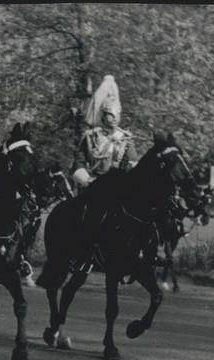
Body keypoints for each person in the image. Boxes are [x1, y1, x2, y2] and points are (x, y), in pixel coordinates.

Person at [72, 74, 138, 270]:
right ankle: (84, 253)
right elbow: (78, 162)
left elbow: (132, 163)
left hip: (119, 187)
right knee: (89, 215)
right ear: (103, 114)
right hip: (95, 184)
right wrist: (86, 180)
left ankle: (138, 250)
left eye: (117, 113)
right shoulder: (91, 137)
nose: (114, 118)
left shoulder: (126, 139)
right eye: (110, 114)